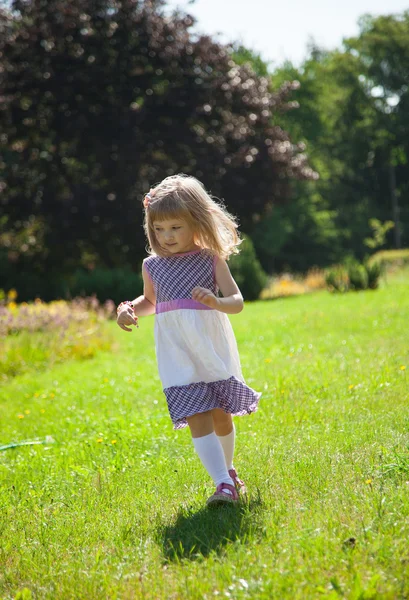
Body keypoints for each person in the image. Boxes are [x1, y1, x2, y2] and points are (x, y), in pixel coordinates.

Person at [116, 174, 261, 506]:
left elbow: (236, 301)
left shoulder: (210, 259)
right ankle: (222, 483)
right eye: (158, 229)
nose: (166, 237)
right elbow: (151, 302)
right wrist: (127, 308)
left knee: (221, 411)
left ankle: (229, 472)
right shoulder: (152, 265)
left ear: (195, 222)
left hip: (210, 344)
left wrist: (215, 301)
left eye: (175, 228)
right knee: (197, 411)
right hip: (176, 350)